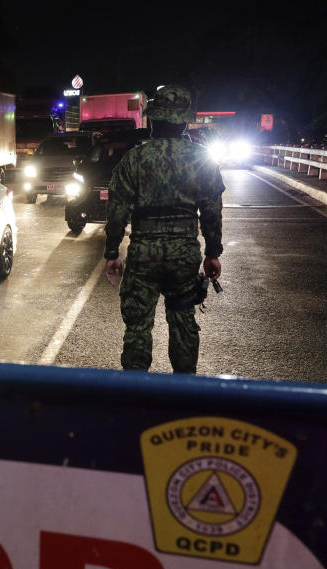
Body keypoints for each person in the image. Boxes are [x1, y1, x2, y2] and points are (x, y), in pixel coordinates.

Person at [103, 84, 224, 373]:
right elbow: (212, 210)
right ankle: (183, 391)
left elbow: (117, 209)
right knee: (183, 322)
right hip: (184, 254)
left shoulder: (135, 158)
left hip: (143, 252)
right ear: (184, 121)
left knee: (137, 326)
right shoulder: (202, 158)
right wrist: (212, 252)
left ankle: (135, 394)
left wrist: (112, 252)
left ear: (154, 119)